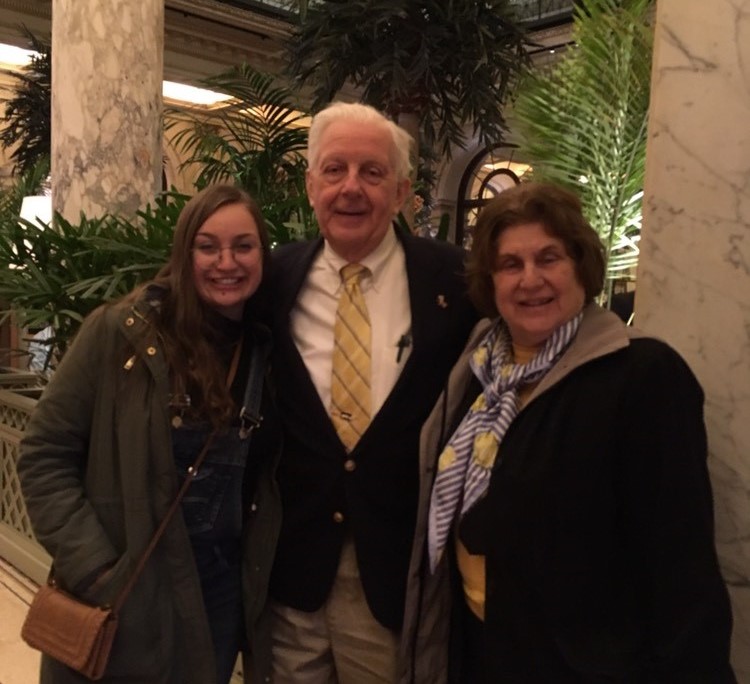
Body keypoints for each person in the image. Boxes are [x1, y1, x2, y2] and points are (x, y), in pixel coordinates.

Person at [401, 181, 736, 683]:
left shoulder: (640, 375)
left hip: (585, 664)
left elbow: (680, 565)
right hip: (480, 646)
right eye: (511, 264)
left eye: (548, 258)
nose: (530, 279)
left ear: (581, 265)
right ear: (490, 281)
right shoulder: (477, 365)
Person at [18, 184, 280, 684]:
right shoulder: (120, 332)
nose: (227, 261)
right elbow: (43, 454)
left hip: (217, 591)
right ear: (185, 253)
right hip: (129, 582)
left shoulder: (263, 350)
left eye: (243, 246)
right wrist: (96, 567)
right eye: (208, 246)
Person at [255, 102, 477, 684]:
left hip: (396, 578)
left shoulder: (456, 283)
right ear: (310, 186)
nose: (351, 188)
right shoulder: (273, 280)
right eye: (334, 170)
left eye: (372, 173)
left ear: (402, 191)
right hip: (293, 575)